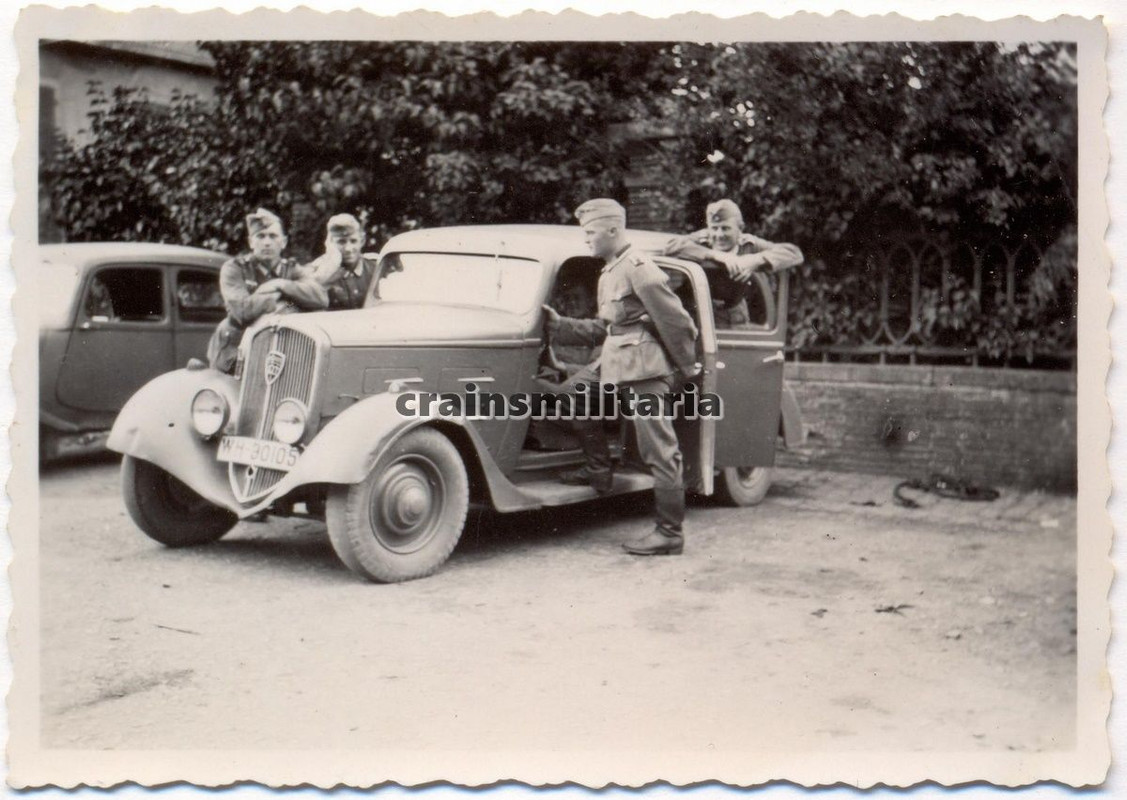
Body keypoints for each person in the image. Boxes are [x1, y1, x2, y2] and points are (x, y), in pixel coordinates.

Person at [543, 198, 700, 556]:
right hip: (615, 364)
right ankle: (598, 470)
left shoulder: (639, 267)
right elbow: (606, 328)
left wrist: (686, 370)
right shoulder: (610, 269)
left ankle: (669, 532)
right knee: (574, 393)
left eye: (591, 232)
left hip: (644, 370)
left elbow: (678, 323)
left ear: (613, 230)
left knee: (659, 452)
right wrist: (561, 325)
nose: (587, 239)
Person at [206, 208, 328, 373]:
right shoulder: (235, 268)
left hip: (279, 349)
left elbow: (320, 297)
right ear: (251, 242)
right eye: (260, 236)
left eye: (273, 236)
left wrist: (280, 284)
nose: (267, 242)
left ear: (283, 242)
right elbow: (240, 310)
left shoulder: (291, 270)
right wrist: (282, 302)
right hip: (235, 351)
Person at [663, 199, 803, 328]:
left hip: (732, 319)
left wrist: (754, 260)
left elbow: (794, 253)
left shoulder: (749, 244)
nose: (719, 235)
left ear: (740, 229)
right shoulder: (703, 240)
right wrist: (715, 255)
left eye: (725, 228)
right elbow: (671, 246)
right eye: (714, 228)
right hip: (694, 316)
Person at [308, 213, 379, 310]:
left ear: (362, 241)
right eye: (341, 242)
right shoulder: (319, 270)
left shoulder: (375, 267)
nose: (348, 248)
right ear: (330, 244)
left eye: (353, 241)